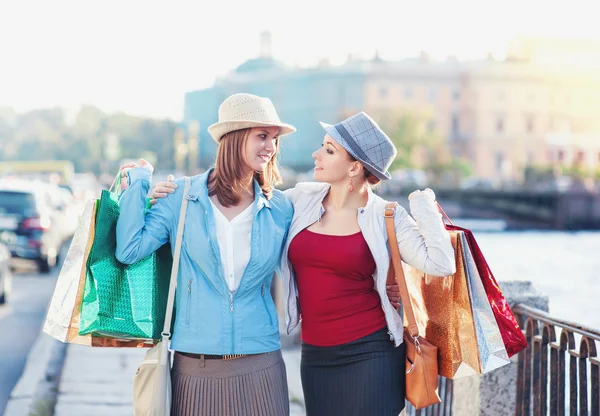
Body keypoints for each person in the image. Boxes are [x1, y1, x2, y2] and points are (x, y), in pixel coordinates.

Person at [152, 112, 456, 415]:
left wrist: (423, 202)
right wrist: (172, 194)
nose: (316, 154)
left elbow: (441, 263)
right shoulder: (300, 200)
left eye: (328, 149)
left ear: (354, 167)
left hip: (370, 350)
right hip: (315, 353)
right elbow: (241, 206)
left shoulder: (387, 216)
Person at [116, 93, 296, 416]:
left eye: (274, 138)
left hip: (262, 366)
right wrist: (139, 186)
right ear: (234, 137)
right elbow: (129, 249)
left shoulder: (280, 208)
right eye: (262, 135)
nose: (271, 146)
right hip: (194, 371)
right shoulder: (182, 198)